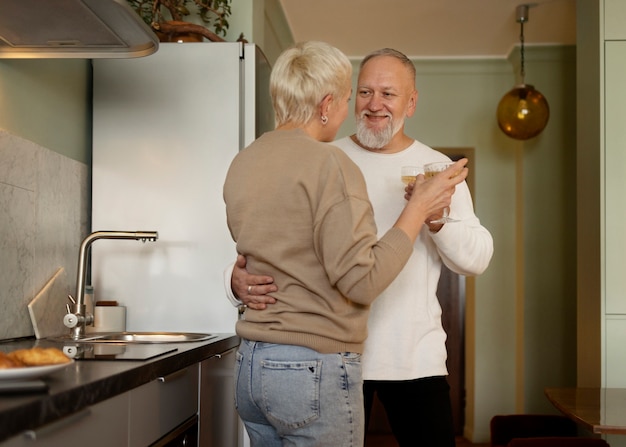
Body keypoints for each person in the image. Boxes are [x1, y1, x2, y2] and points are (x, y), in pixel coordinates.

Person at [225, 48, 494, 447]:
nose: (374, 104)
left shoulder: (438, 171)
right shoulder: (325, 157)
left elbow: (477, 258)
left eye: (388, 93)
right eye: (364, 92)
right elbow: (263, 243)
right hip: (334, 359)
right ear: (341, 100)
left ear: (411, 102)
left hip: (412, 359)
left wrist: (436, 219)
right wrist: (234, 282)